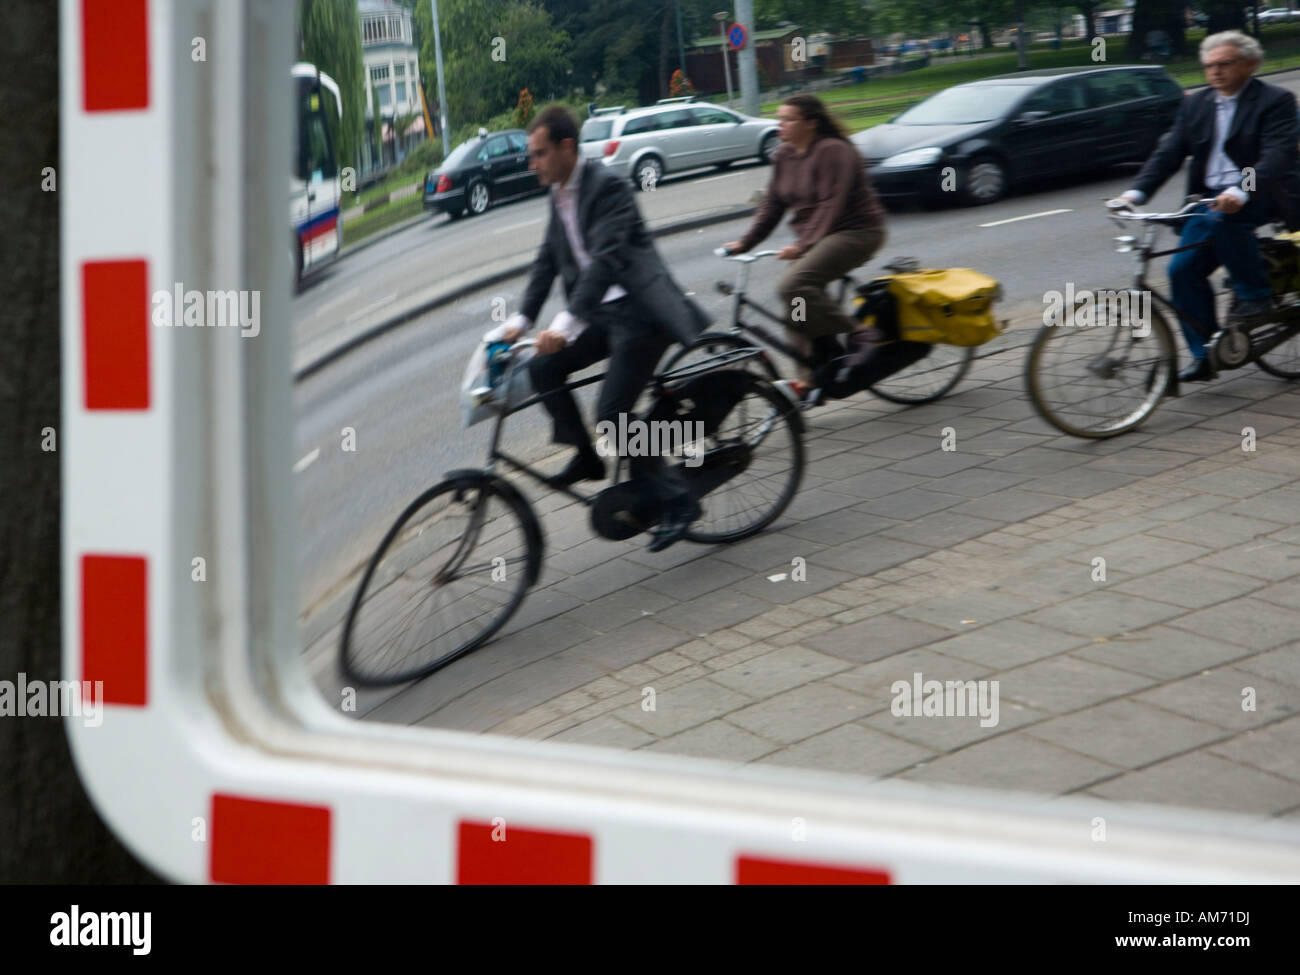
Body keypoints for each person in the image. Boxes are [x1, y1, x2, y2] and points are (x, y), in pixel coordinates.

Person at [499, 105, 711, 552]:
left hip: (641, 315)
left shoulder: (608, 186)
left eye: (538, 154)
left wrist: (565, 321)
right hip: (601, 316)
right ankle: (586, 456)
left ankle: (678, 500)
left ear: (566, 148)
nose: (532, 164)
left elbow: (604, 261)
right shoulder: (558, 194)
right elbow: (546, 261)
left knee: (613, 416)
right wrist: (521, 320)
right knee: (543, 368)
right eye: (530, 156)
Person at [1110, 30, 1300, 382]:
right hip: (1210, 199)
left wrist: (1242, 191)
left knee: (1226, 220)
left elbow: (1276, 156)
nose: (1215, 72)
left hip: (1263, 192)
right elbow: (1168, 154)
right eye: (1209, 65)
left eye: (1224, 64)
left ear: (1250, 64)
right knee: (1181, 272)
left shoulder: (1275, 101)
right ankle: (1206, 356)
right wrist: (1133, 196)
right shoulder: (1195, 104)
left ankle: (1255, 295)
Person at [723, 94, 888, 389]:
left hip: (856, 231)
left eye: (788, 120)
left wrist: (802, 246)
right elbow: (772, 205)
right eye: (779, 119)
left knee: (792, 285)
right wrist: (745, 243)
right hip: (817, 236)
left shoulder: (834, 151)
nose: (779, 126)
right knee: (796, 308)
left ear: (811, 123)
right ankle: (810, 382)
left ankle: (860, 333)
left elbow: (830, 204)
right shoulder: (785, 155)